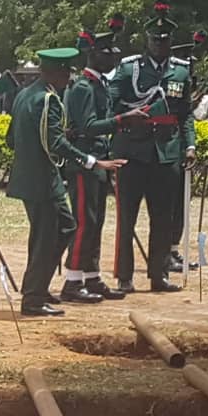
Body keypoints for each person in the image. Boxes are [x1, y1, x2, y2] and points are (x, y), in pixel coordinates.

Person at [7, 47, 126, 316]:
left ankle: (37, 287)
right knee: (52, 235)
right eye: (67, 71)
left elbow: (11, 139)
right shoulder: (49, 100)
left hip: (29, 179)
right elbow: (56, 143)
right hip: (43, 181)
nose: (69, 76)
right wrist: (93, 161)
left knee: (56, 230)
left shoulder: (24, 94)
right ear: (57, 72)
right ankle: (34, 297)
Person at [109, 0, 195, 293]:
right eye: (155, 39)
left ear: (171, 40)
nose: (160, 43)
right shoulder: (129, 68)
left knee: (162, 219)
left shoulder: (182, 71)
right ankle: (124, 276)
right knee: (126, 218)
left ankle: (159, 275)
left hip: (166, 153)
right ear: (147, 40)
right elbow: (113, 104)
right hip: (132, 151)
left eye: (164, 39)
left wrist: (190, 146)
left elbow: (185, 115)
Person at [62, 23, 145, 302]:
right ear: (94, 55)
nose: (114, 58)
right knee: (84, 222)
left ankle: (91, 276)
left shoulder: (99, 84)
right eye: (108, 54)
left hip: (99, 161)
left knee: (96, 222)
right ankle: (72, 281)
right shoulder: (84, 87)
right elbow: (87, 126)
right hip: (84, 163)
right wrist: (122, 121)